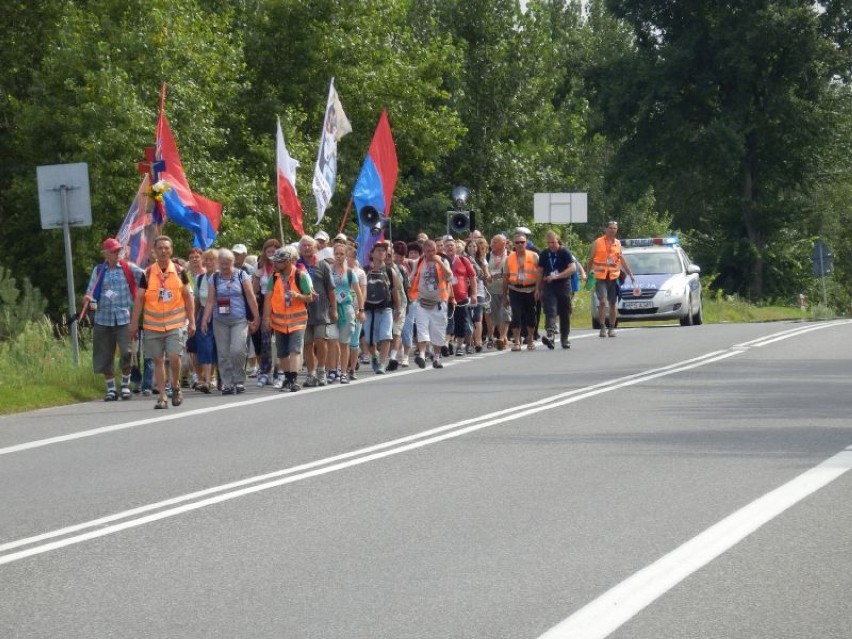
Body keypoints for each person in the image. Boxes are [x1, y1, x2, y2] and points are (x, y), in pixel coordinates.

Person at [129, 235, 196, 409]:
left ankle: (176, 386)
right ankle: (163, 396)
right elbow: (139, 298)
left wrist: (192, 321)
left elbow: (188, 297)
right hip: (153, 325)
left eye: (166, 248)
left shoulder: (180, 271)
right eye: (160, 248)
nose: (163, 251)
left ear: (171, 250)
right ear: (155, 251)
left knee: (174, 357)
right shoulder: (148, 273)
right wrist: (134, 324)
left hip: (175, 323)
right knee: (158, 360)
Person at [83, 237, 144, 401]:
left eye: (119, 250)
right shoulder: (98, 270)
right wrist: (88, 299)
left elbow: (146, 278)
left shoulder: (128, 267)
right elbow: (90, 291)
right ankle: (111, 389)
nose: (118, 253)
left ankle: (125, 386)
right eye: (114, 251)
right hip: (103, 319)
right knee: (104, 354)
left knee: (128, 352)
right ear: (106, 254)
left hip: (124, 318)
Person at [201, 248, 259, 395]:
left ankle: (239, 380)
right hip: (220, 320)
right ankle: (227, 383)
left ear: (233, 262)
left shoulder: (242, 275)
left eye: (227, 263)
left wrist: (256, 317)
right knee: (223, 353)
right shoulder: (213, 278)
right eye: (222, 263)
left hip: (239, 319)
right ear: (218, 263)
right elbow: (209, 301)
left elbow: (251, 297)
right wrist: (204, 320)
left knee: (238, 350)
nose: (225, 266)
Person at [264, 246, 313, 392]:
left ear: (286, 262)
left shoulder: (300, 276)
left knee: (295, 350)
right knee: (282, 352)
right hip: (279, 322)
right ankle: (287, 377)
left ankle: (293, 379)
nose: (275, 265)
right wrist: (266, 318)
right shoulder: (274, 277)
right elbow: (268, 298)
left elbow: (310, 297)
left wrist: (298, 296)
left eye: (278, 262)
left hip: (297, 322)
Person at [298, 235, 336, 387]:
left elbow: (331, 289)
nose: (307, 248)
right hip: (302, 311)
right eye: (304, 246)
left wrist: (333, 308)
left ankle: (321, 370)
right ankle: (311, 373)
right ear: (300, 249)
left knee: (320, 340)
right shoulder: (296, 266)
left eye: (309, 245)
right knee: (307, 343)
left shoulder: (323, 265)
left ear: (315, 248)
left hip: (321, 310)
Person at [586, 220, 636, 337]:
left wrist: (630, 274)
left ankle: (612, 328)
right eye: (611, 228)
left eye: (615, 229)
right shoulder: (598, 242)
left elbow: (622, 259)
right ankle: (602, 327)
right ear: (606, 229)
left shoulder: (618, 243)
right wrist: (587, 274)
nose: (613, 230)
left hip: (613, 277)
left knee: (613, 303)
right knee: (602, 302)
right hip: (600, 277)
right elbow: (591, 259)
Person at [409, 239, 453, 369]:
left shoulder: (443, 261)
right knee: (422, 329)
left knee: (438, 332)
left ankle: (437, 357)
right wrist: (408, 283)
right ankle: (422, 355)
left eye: (433, 250)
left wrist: (439, 261)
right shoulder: (420, 262)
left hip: (438, 303)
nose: (431, 253)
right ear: (424, 251)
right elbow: (412, 276)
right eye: (428, 251)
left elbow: (449, 276)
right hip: (422, 302)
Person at [328, 241, 365, 383]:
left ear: (346, 256)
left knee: (345, 342)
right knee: (332, 340)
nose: (338, 256)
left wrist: (361, 310)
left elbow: (358, 292)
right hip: (332, 309)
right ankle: (333, 370)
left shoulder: (350, 272)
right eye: (336, 253)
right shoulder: (329, 271)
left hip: (347, 308)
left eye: (341, 254)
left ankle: (343, 372)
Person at [363, 241, 401, 374]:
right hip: (368, 310)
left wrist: (399, 308)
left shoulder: (391, 272)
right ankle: (374, 355)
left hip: (386, 308)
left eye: (383, 251)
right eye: (378, 250)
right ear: (371, 254)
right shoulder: (365, 270)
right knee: (368, 340)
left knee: (386, 336)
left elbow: (395, 290)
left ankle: (382, 364)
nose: (381, 253)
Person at [537, 230, 576, 349]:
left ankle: (565, 339)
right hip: (549, 285)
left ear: (557, 240)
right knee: (550, 310)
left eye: (553, 242)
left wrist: (558, 276)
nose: (551, 245)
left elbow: (572, 268)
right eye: (549, 243)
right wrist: (537, 289)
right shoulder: (544, 254)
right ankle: (550, 336)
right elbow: (540, 272)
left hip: (563, 284)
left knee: (565, 312)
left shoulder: (564, 252)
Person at [251, 238, 282, 387]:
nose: (271, 254)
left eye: (274, 251)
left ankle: (278, 371)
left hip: (280, 303)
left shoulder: (283, 267)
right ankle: (265, 371)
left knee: (279, 340)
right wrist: (257, 275)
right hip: (264, 303)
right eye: (268, 251)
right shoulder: (260, 267)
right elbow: (254, 290)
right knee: (265, 339)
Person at [502, 230, 540, 351]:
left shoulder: (534, 256)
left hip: (531, 289)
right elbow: (506, 277)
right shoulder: (509, 258)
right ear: (514, 244)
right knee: (516, 315)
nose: (519, 244)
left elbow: (540, 274)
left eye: (522, 242)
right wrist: (504, 295)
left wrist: (539, 289)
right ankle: (517, 341)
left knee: (531, 316)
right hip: (515, 290)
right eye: (517, 242)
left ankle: (530, 339)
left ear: (526, 242)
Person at [444, 237, 476, 356]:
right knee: (447, 322)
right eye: (447, 246)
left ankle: (460, 346)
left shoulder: (463, 260)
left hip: (462, 298)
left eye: (452, 245)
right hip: (445, 298)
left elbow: (472, 277)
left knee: (462, 323)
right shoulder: (442, 261)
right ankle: (446, 345)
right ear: (444, 248)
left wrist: (473, 294)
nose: (450, 247)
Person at [193, 248, 218, 393]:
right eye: (206, 259)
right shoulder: (200, 278)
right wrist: (195, 318)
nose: (208, 262)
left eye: (211, 259)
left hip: (219, 314)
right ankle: (207, 380)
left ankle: (219, 378)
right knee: (205, 346)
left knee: (219, 346)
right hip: (203, 313)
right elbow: (196, 299)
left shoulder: (221, 277)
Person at [486, 233, 511, 350]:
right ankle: (504, 339)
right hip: (491, 290)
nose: (492, 244)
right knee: (495, 315)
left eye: (495, 242)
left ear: (504, 243)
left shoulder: (510, 255)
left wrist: (502, 275)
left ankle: (501, 338)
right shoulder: (487, 256)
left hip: (507, 290)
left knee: (505, 313)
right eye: (492, 241)